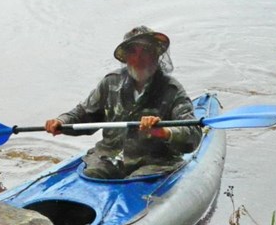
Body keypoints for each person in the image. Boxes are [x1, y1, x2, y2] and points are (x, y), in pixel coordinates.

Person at [45, 26, 202, 179]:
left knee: (141, 180)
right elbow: (84, 113)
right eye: (133, 52)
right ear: (126, 57)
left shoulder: (172, 90)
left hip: (155, 164)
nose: (139, 59)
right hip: (109, 157)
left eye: (145, 51)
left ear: (155, 55)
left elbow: (193, 134)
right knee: (92, 174)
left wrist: (163, 131)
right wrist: (61, 122)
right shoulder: (110, 83)